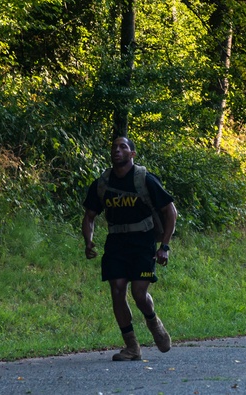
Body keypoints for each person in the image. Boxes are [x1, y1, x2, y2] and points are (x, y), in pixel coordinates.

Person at [83, 136, 178, 360]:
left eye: (123, 147)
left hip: (143, 242)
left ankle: (154, 322)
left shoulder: (144, 179)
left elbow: (170, 211)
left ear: (132, 154)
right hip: (116, 242)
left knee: (139, 293)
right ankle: (132, 347)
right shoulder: (102, 183)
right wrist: (88, 241)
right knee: (117, 290)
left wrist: (164, 246)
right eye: (114, 147)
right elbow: (89, 216)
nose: (117, 150)